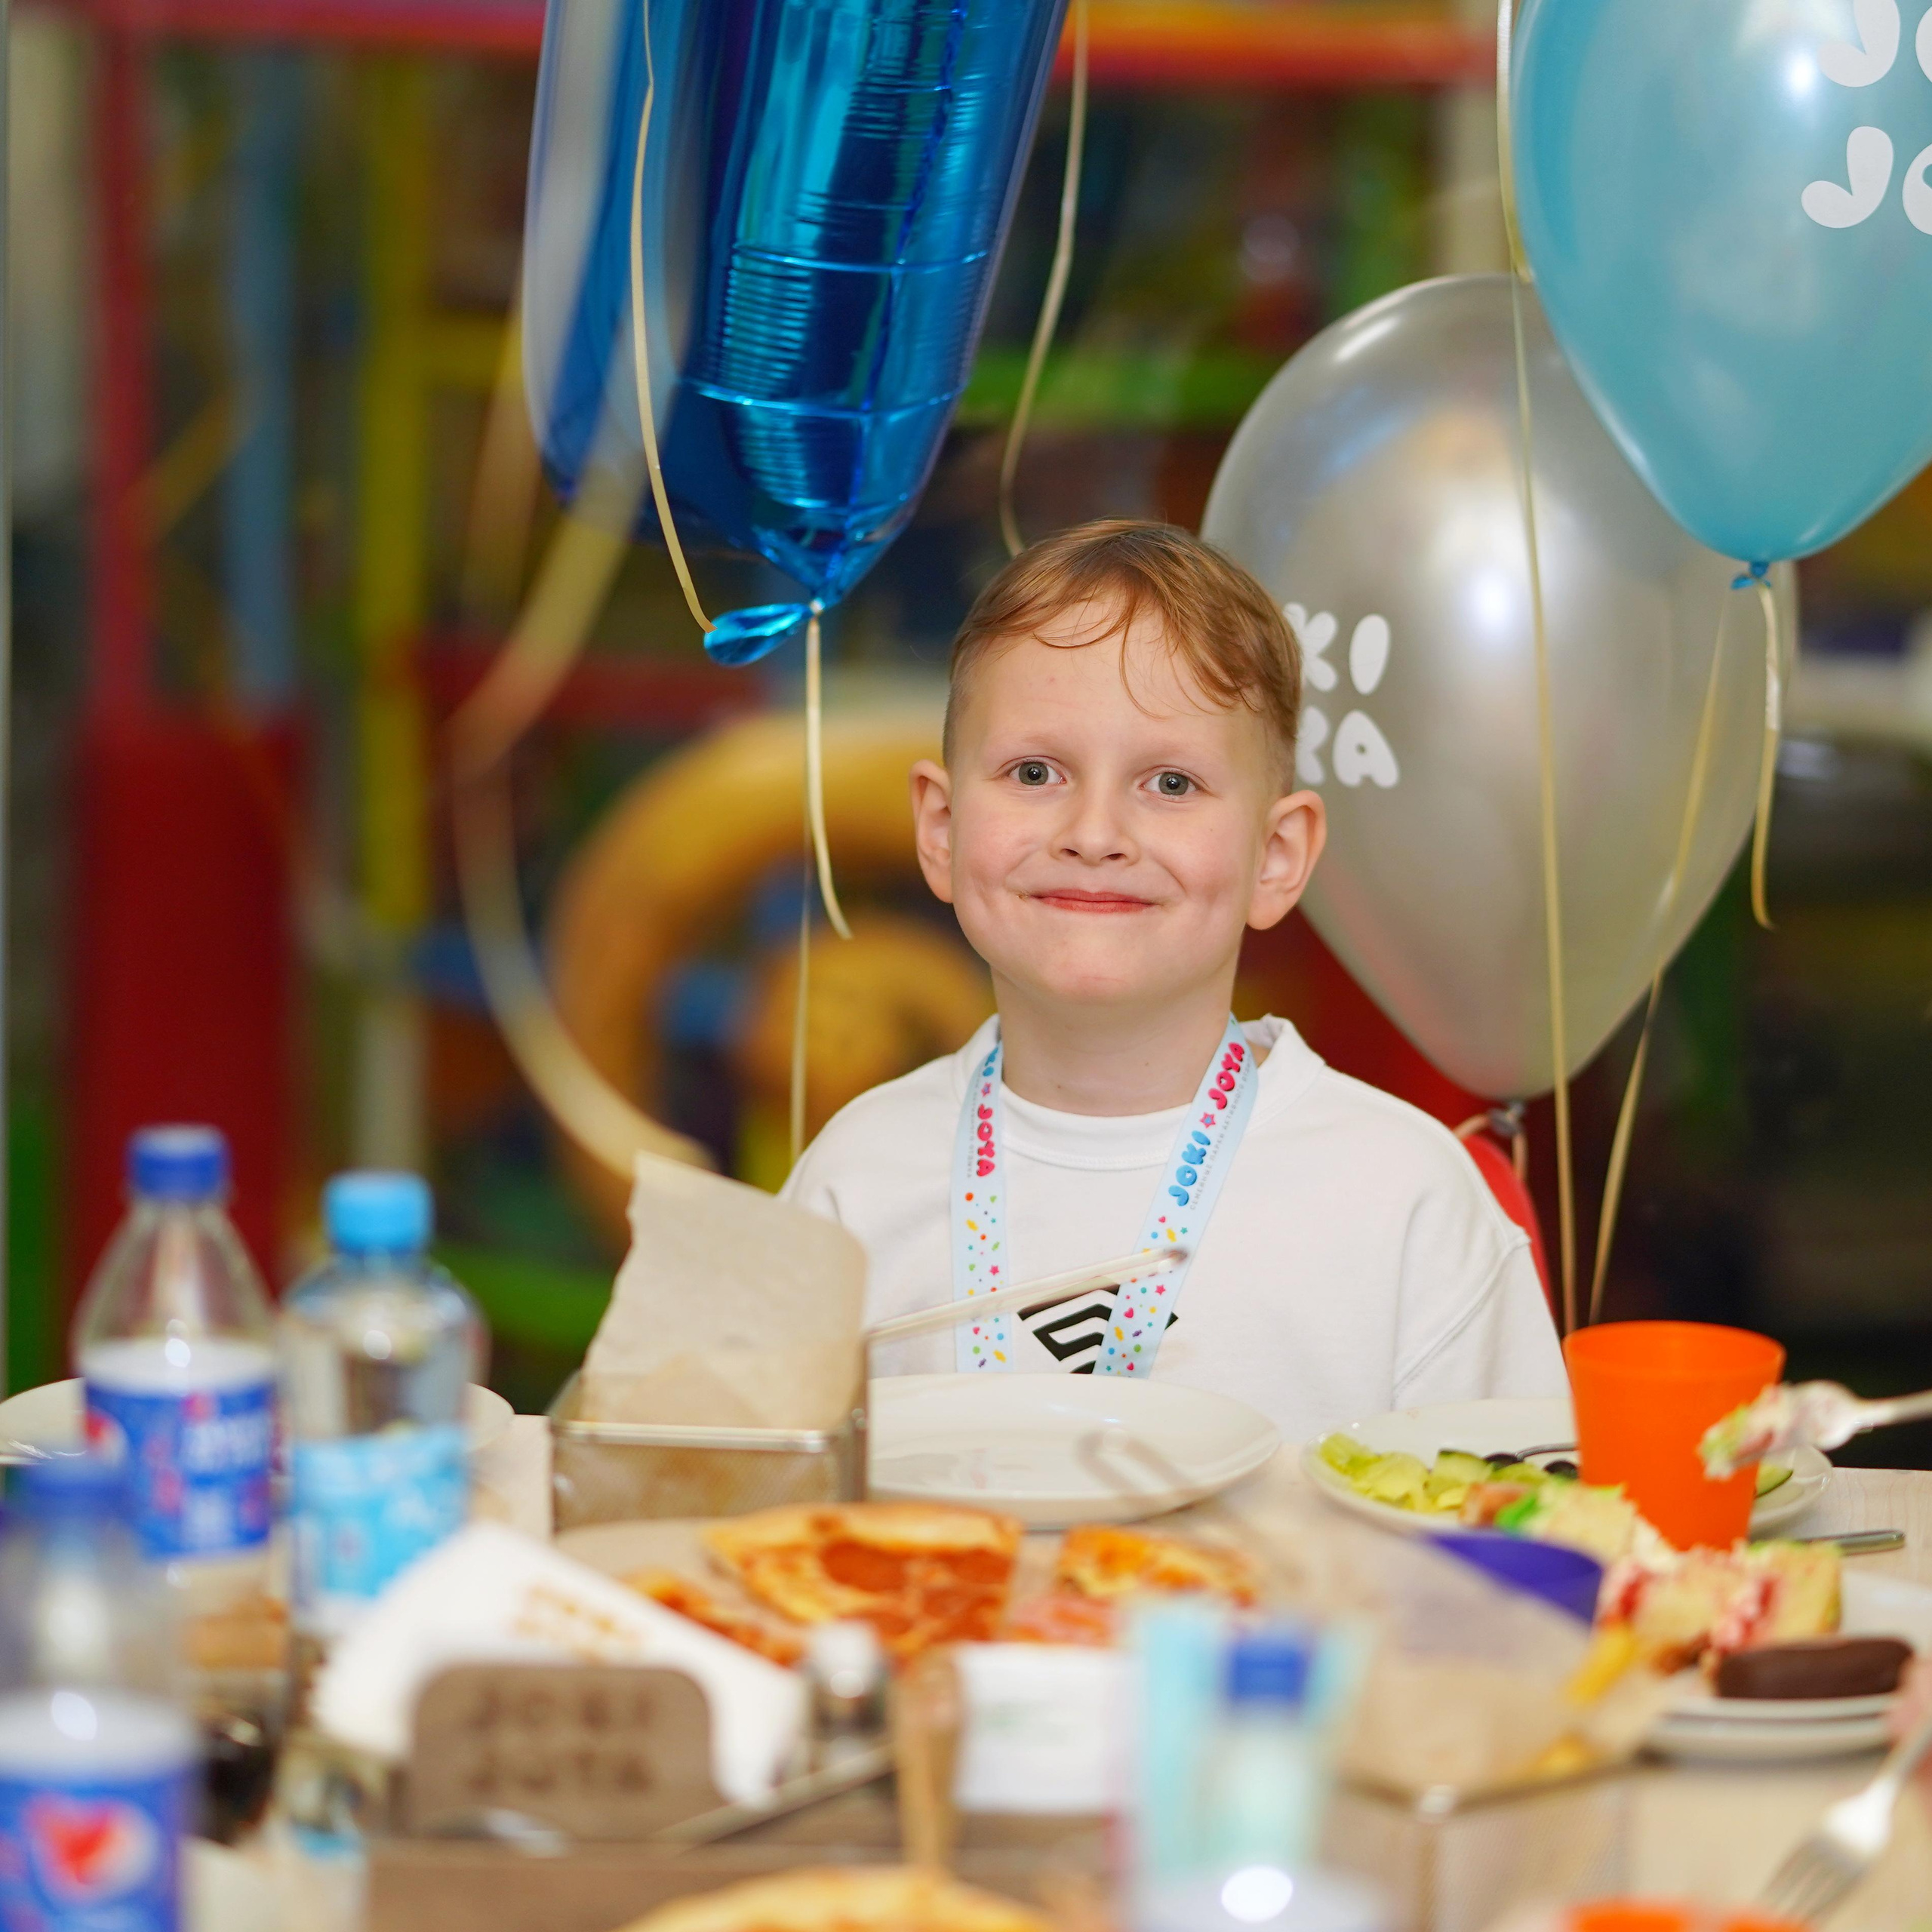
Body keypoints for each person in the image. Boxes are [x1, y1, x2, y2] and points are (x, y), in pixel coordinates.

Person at [783, 519, 1565, 1438]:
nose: (1094, 833)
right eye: (1034, 771)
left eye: (1170, 784)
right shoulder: (853, 1182)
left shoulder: (1407, 1201)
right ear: (943, 830)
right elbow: (758, 1498)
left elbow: (1513, 1522)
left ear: (1276, 856)